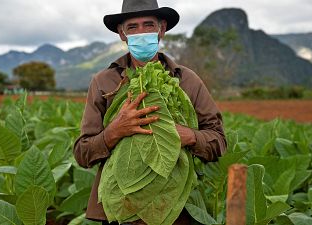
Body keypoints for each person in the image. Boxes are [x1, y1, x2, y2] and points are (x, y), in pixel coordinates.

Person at [74, 0, 227, 224]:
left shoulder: (187, 80)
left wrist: (189, 136)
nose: (141, 33)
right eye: (133, 27)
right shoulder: (103, 82)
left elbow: (219, 140)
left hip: (176, 207)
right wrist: (114, 131)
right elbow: (82, 153)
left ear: (161, 29)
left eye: (148, 25)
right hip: (121, 207)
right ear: (122, 33)